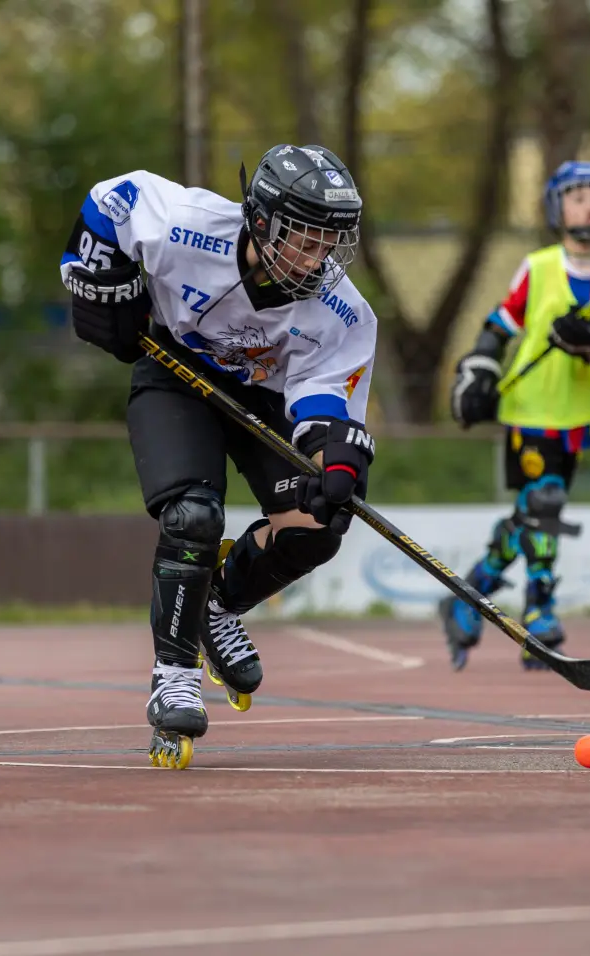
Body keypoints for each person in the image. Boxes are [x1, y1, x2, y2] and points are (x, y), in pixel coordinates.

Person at [60, 144, 376, 769]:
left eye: (330, 243)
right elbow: (110, 201)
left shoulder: (342, 311)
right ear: (260, 222)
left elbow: (322, 399)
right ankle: (175, 674)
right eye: (304, 240)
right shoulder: (186, 226)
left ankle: (218, 603)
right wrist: (101, 283)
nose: (319, 259)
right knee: (193, 519)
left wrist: (335, 458)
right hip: (175, 375)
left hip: (264, 397)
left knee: (318, 525)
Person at [440, 161, 590, 671]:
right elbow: (498, 325)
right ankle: (539, 611)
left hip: (579, 416)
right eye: (578, 197)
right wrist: (479, 371)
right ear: (558, 208)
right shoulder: (537, 268)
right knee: (545, 504)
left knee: (533, 517)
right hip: (530, 408)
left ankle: (469, 594)